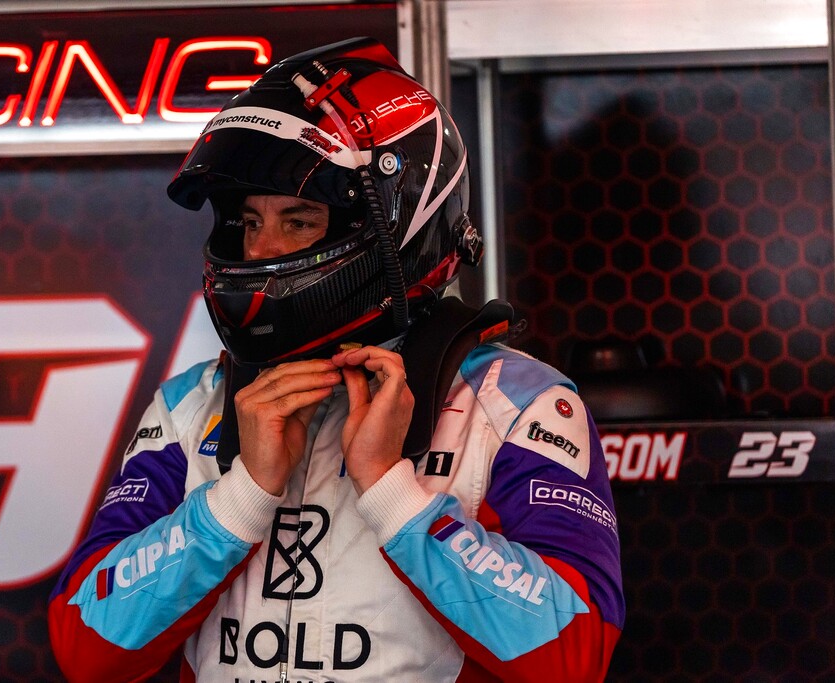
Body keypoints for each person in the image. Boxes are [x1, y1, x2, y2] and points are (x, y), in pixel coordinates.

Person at [48, 37, 624, 682]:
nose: (261, 251)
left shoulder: (517, 403)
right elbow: (87, 647)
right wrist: (239, 499)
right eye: (250, 222)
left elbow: (573, 653)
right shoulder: (192, 405)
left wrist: (391, 492)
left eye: (298, 221)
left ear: (394, 229)